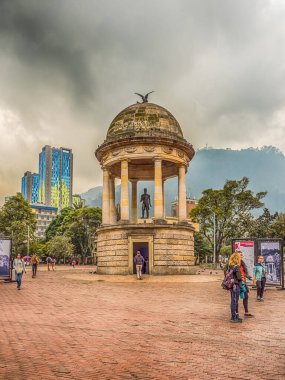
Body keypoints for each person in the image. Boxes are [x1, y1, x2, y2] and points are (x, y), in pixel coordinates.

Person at [238, 252, 254, 318]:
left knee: (246, 296)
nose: (241, 256)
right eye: (240, 255)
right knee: (235, 299)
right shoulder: (233, 264)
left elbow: (245, 273)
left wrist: (250, 277)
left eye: (242, 255)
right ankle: (235, 313)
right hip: (236, 284)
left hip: (243, 283)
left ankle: (246, 312)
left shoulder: (242, 263)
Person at [227, 252, 243, 323]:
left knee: (234, 301)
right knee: (234, 301)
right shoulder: (236, 267)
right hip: (236, 286)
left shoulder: (230, 266)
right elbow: (239, 278)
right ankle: (233, 317)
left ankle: (235, 316)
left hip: (231, 285)